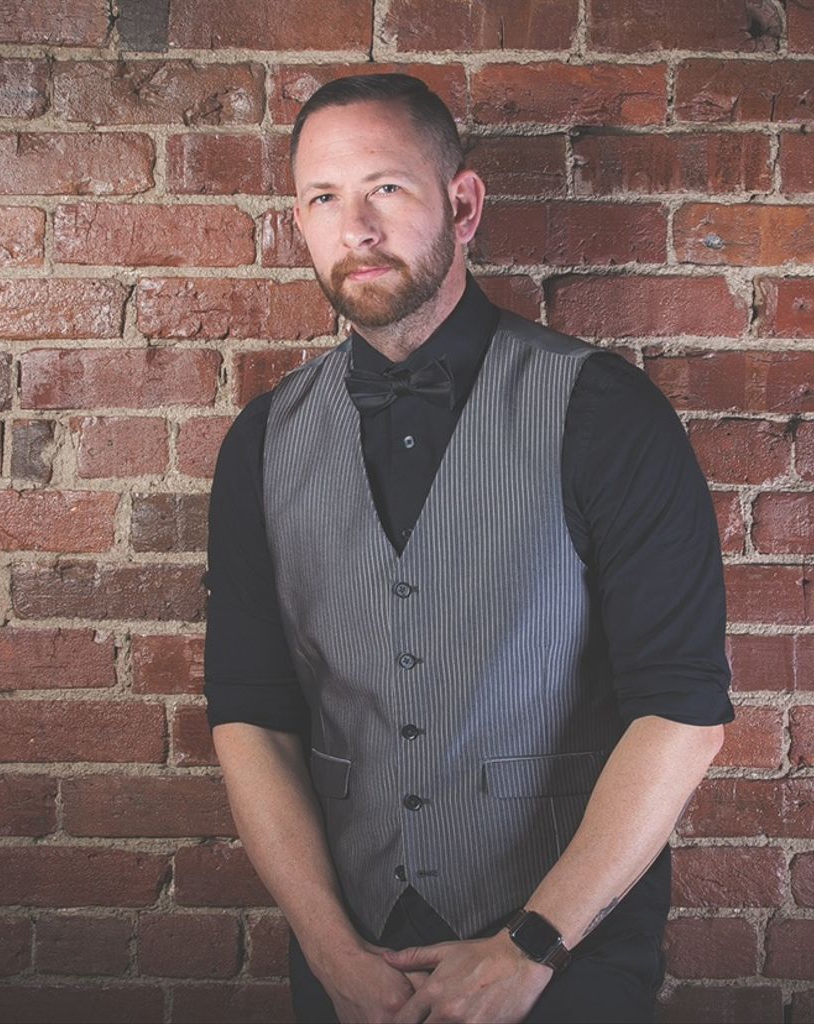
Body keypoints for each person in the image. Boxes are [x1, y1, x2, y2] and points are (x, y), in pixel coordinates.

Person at [203, 73, 733, 1024]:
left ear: (463, 204)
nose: (357, 228)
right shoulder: (263, 442)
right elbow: (253, 717)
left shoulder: (606, 413)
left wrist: (532, 947)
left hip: (565, 958)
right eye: (324, 198)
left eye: (386, 187)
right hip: (352, 954)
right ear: (299, 223)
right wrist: (328, 948)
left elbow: (682, 711)